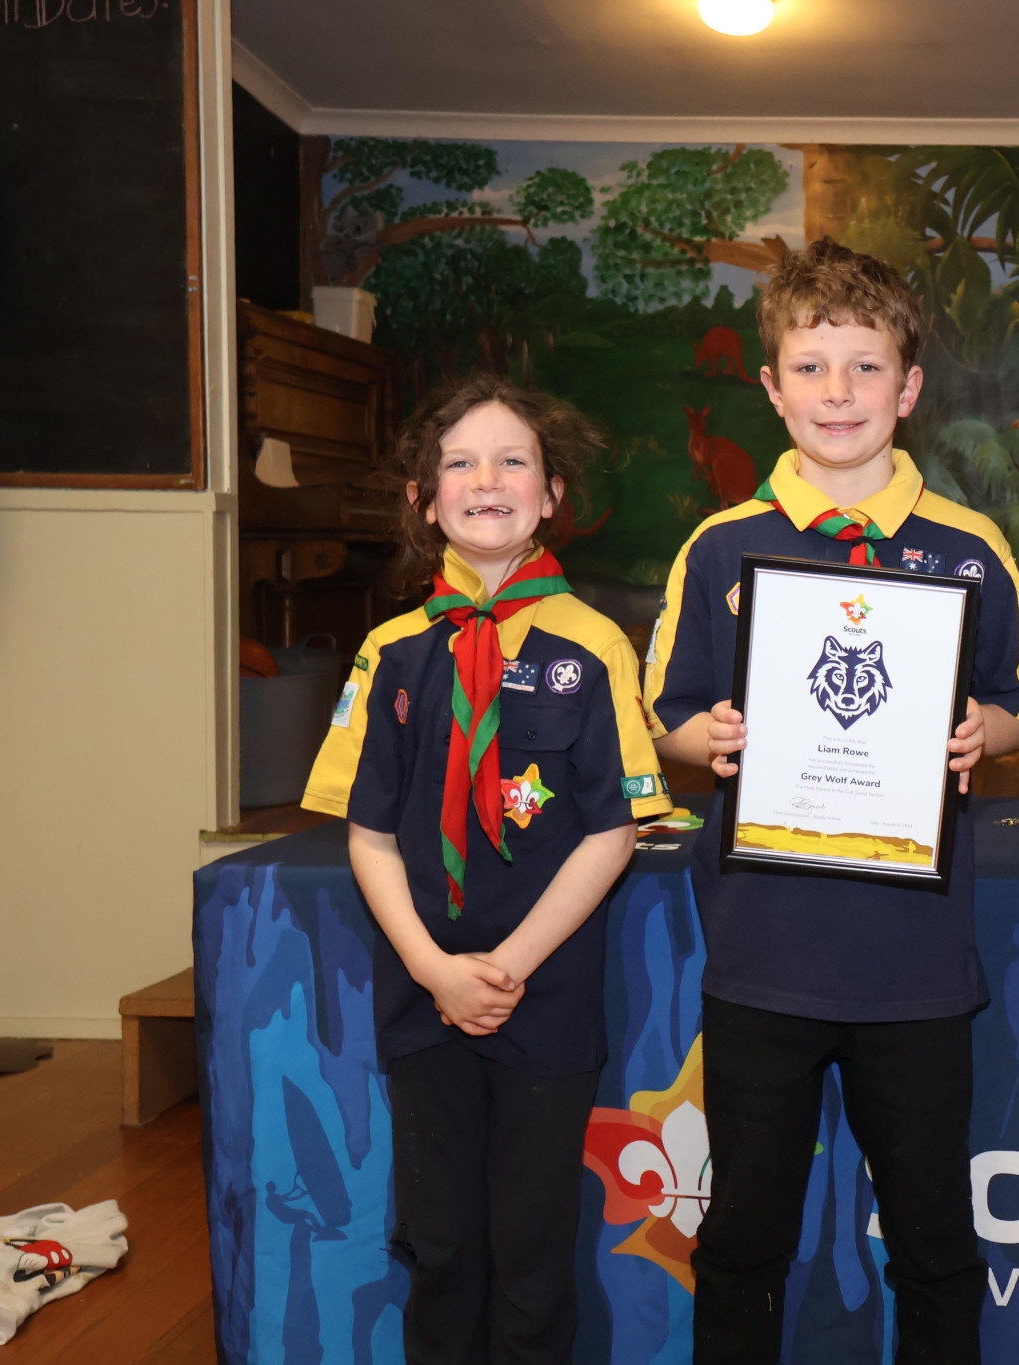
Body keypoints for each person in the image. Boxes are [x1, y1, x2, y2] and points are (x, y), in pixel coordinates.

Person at [645, 237, 1019, 1364]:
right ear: (770, 387)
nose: (838, 393)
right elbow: (665, 712)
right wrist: (704, 739)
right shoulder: (721, 547)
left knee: (932, 1242)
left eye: (865, 368)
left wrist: (985, 731)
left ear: (908, 388)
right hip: (763, 953)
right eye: (811, 368)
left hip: (912, 963)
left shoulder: (966, 548)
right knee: (741, 1240)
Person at [303, 374, 672, 1365]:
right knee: (440, 1243)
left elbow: (611, 829)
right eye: (459, 462)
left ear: (552, 494)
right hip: (422, 1003)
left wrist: (504, 966)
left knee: (532, 1251)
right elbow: (367, 832)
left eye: (514, 459)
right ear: (426, 501)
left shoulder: (592, 648)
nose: (486, 478)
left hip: (542, 1004)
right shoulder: (390, 652)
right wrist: (435, 969)